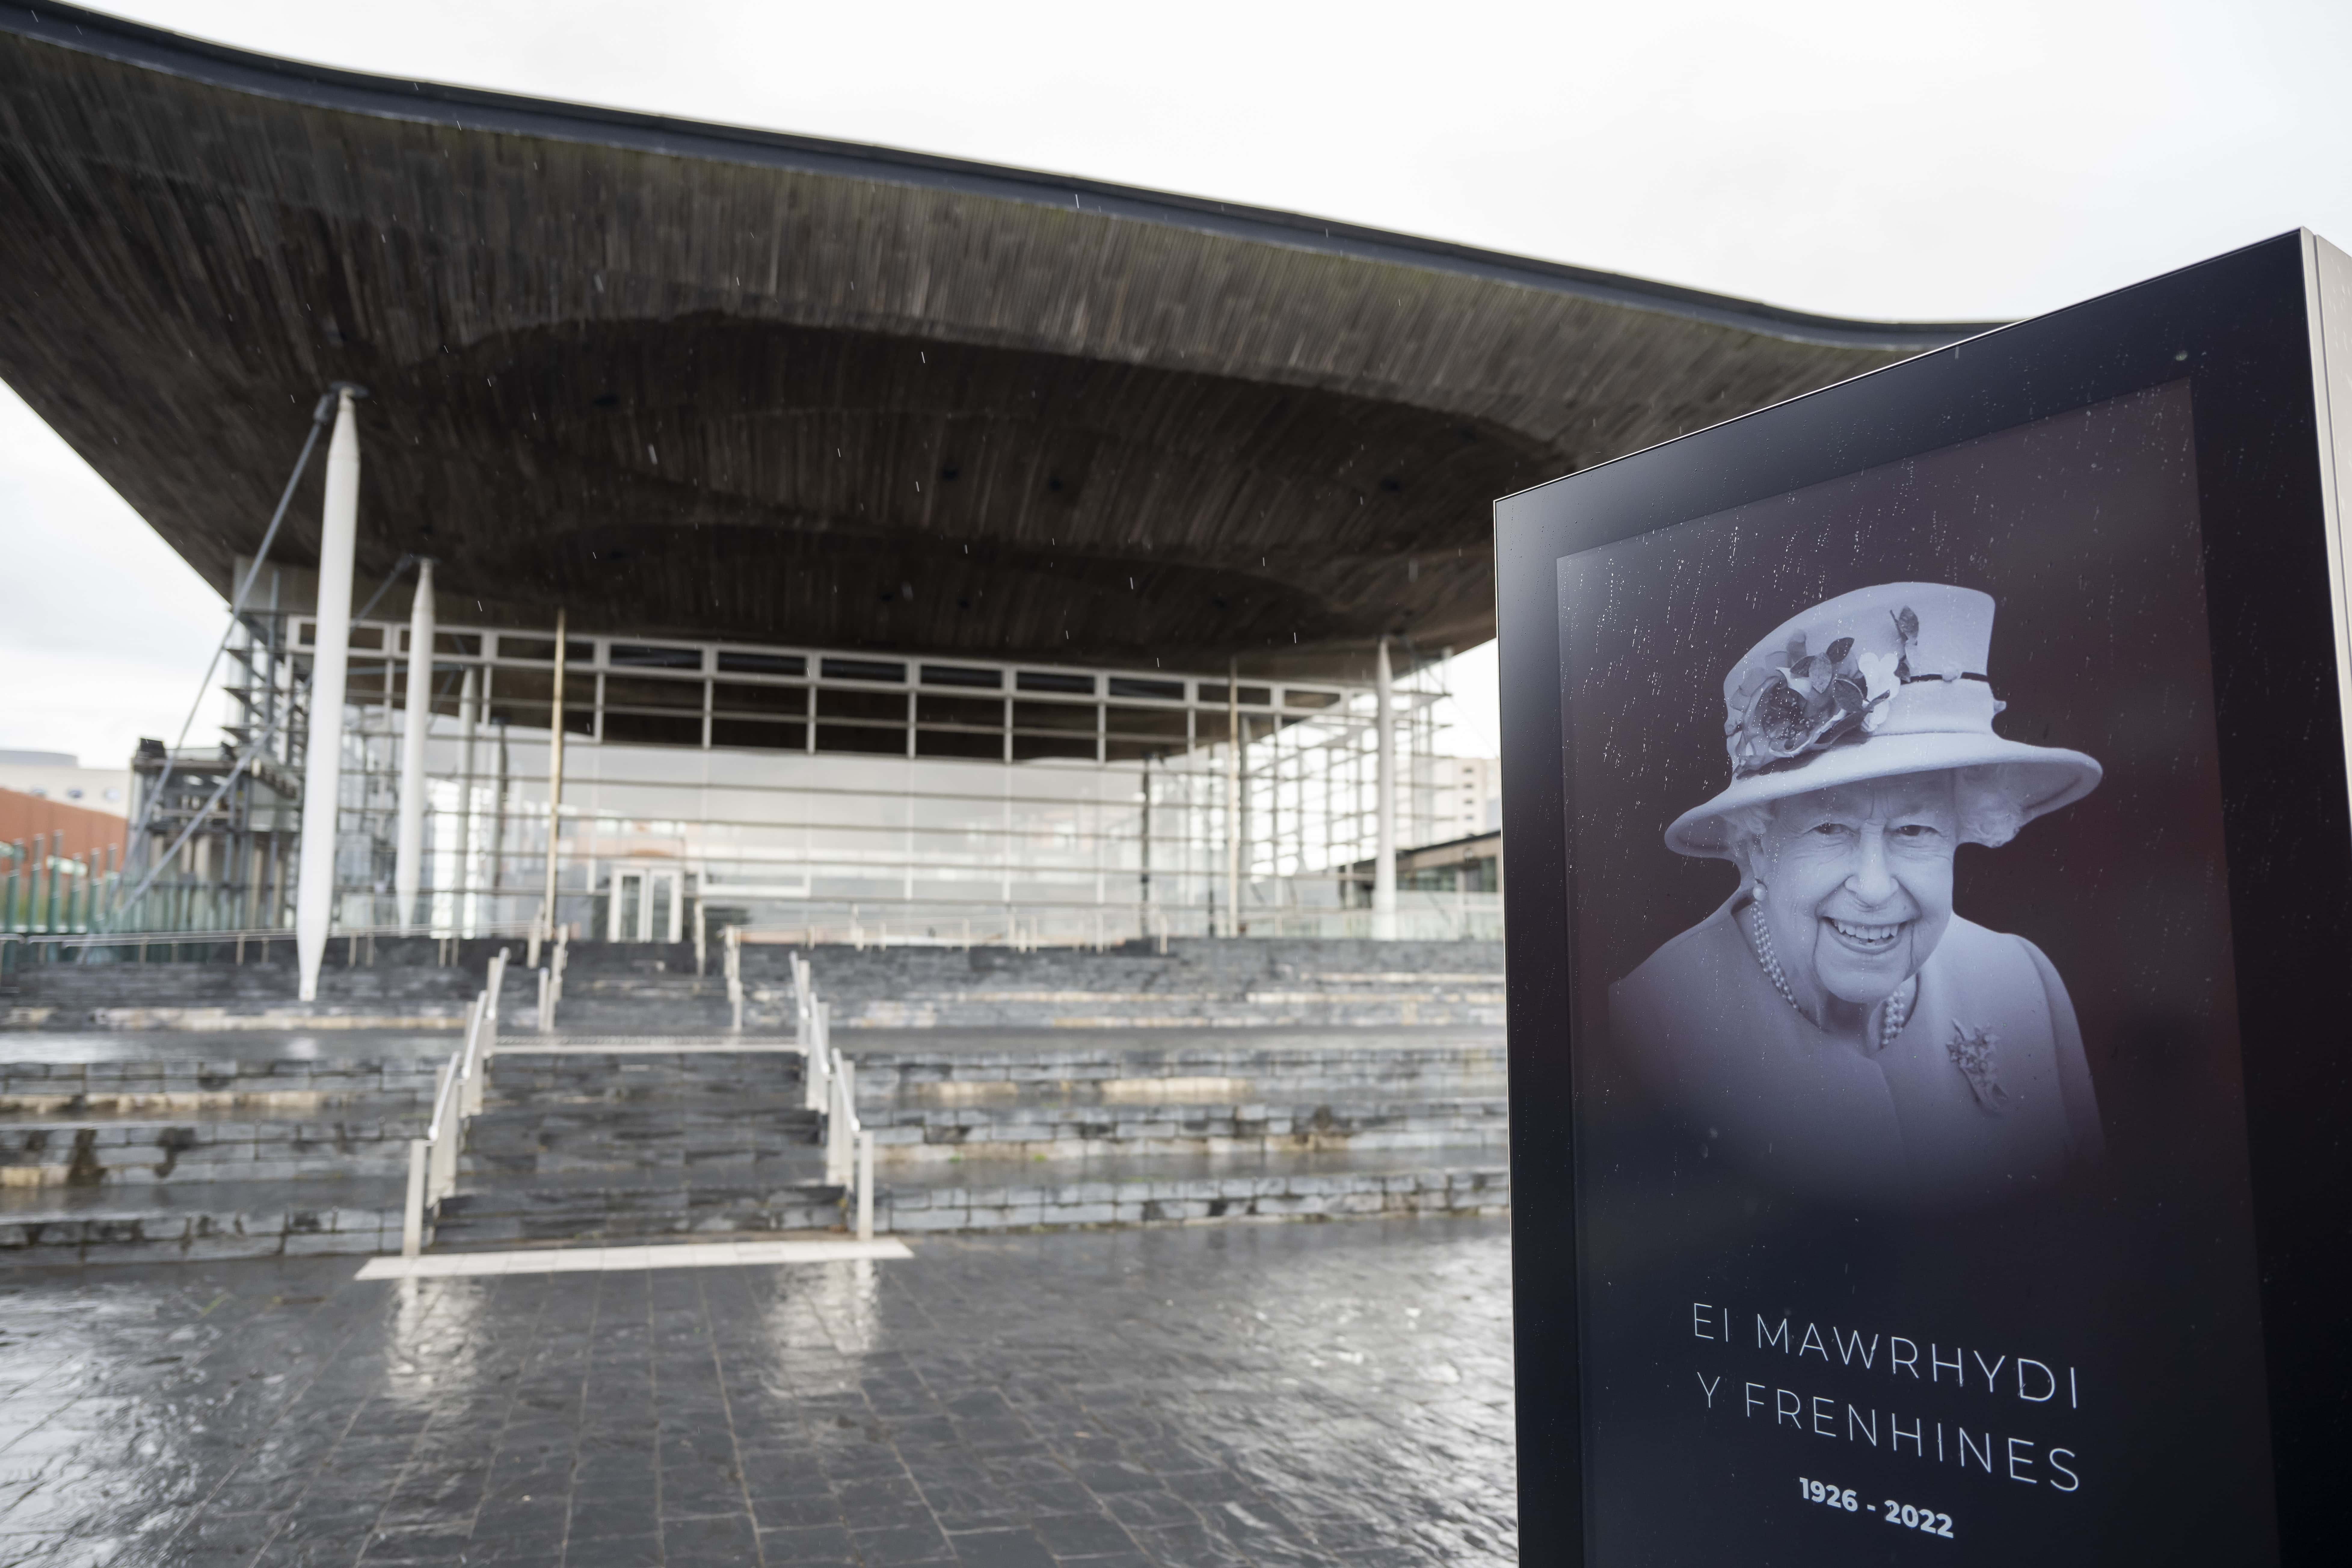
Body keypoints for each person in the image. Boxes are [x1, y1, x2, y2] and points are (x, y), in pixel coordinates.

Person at [1609, 583, 2106, 1210]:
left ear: (1964, 830)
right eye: (1829, 829)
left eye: (1915, 830)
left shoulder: (2022, 983)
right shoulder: (1650, 1025)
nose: (1873, 888)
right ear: (1758, 845)